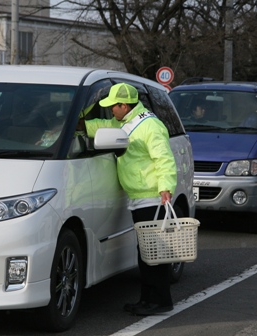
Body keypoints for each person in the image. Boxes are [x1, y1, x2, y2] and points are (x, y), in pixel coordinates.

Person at [77, 83, 177, 316]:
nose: (110, 110)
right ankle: (147, 300)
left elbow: (164, 158)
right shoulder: (124, 122)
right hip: (139, 196)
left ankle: (161, 301)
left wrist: (165, 187)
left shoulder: (149, 125)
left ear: (124, 105)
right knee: (146, 253)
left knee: (153, 254)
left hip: (151, 197)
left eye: (113, 106)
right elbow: (101, 127)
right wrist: (80, 115)